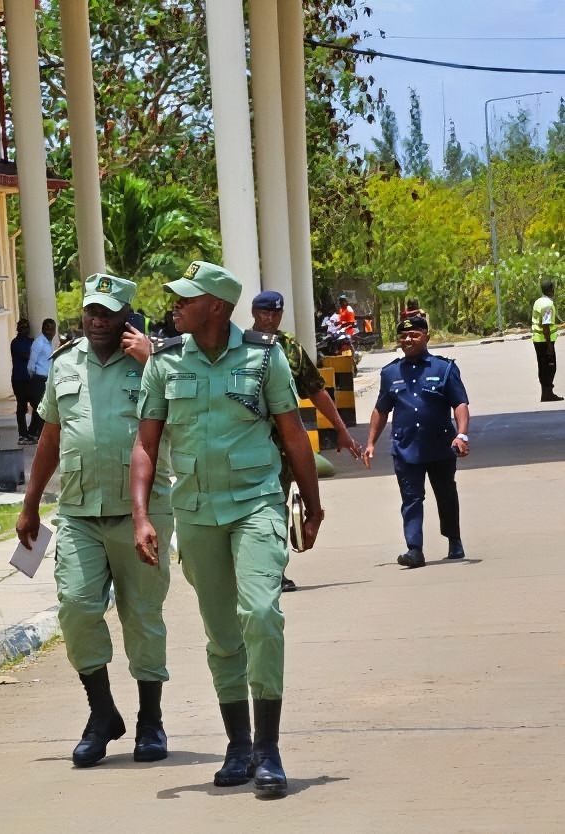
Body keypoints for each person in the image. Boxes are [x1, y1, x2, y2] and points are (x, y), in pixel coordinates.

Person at [131, 262, 323, 798]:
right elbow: (146, 444)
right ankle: (238, 745)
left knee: (261, 612)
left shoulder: (265, 357)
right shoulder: (164, 363)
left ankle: (268, 750)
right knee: (221, 634)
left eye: (184, 299)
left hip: (256, 504)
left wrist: (312, 504)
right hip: (195, 513)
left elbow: (293, 433)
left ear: (216, 306)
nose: (174, 305)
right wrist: (142, 515)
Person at [16, 274, 172, 769]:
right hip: (80, 512)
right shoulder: (64, 364)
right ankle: (102, 713)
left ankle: (151, 720)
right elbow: (50, 438)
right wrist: (31, 502)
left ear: (128, 314)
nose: (98, 320)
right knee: (77, 608)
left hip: (139, 515)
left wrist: (154, 363)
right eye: (91, 311)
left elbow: (189, 415)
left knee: (142, 616)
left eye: (108, 312)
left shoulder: (156, 362)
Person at [249, 290, 363, 592]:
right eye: (264, 312)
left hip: (282, 446)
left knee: (276, 506)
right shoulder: (240, 346)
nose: (270, 318)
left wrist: (342, 429)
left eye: (275, 313)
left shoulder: (289, 349)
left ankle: (275, 571)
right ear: (253, 312)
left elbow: (315, 390)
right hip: (244, 444)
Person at [362, 316, 470, 567]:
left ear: (426, 337)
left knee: (446, 494)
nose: (408, 340)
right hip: (405, 447)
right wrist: (370, 443)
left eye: (414, 335)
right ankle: (414, 549)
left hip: (440, 445)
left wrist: (461, 434)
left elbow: (460, 403)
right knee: (411, 498)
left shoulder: (443, 369)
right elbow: (381, 409)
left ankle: (454, 539)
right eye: (403, 337)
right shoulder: (390, 373)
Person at [24, 318, 57, 443]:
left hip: (46, 379)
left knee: (44, 408)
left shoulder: (49, 343)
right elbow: (31, 364)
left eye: (52, 329)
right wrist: (34, 377)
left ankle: (35, 433)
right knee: (40, 408)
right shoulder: (39, 343)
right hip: (38, 379)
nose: (49, 332)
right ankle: (35, 434)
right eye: (47, 328)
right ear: (43, 329)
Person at [10, 320, 42, 442]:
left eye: (27, 327)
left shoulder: (31, 342)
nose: (25, 329)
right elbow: (28, 355)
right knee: (22, 406)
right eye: (22, 327)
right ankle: (22, 433)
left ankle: (32, 431)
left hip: (31, 379)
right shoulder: (16, 343)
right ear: (18, 329)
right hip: (19, 379)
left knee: (37, 406)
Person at [532, 279, 562, 402]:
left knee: (543, 366)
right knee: (549, 367)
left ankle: (546, 392)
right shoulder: (547, 305)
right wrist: (549, 344)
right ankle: (547, 393)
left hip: (538, 340)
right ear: (552, 290)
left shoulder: (538, 301)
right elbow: (546, 325)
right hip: (544, 340)